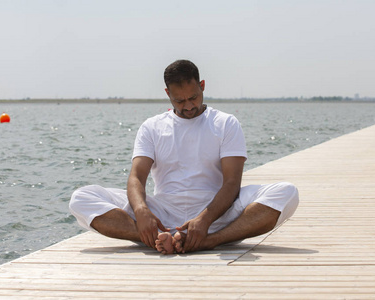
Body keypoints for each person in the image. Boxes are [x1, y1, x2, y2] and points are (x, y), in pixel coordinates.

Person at [69, 59, 299, 254]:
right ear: (168, 94)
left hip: (217, 213)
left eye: (194, 97)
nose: (189, 106)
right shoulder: (152, 127)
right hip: (163, 210)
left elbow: (232, 183)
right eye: (180, 101)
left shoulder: (225, 123)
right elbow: (136, 177)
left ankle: (207, 241)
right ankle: (160, 237)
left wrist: (205, 220)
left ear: (202, 86)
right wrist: (142, 212)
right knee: (81, 198)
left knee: (287, 193)